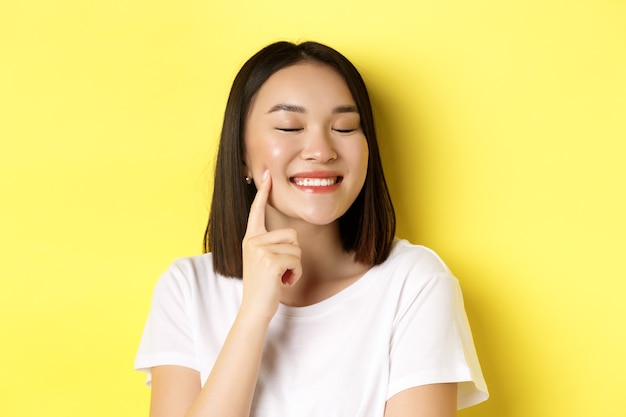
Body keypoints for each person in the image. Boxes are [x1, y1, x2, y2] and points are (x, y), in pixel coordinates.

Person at [135, 40, 488, 417]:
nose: (321, 150)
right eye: (289, 127)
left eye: (344, 126)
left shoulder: (415, 283)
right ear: (241, 155)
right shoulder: (187, 289)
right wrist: (254, 313)